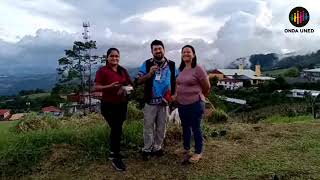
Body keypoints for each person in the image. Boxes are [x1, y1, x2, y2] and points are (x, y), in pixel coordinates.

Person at [135, 40, 178, 160]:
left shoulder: (172, 65)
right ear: (152, 51)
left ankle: (157, 147)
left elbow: (177, 81)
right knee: (148, 126)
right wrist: (149, 74)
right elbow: (137, 81)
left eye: (160, 48)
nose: (158, 51)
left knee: (162, 126)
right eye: (155, 49)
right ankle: (147, 149)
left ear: (164, 49)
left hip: (165, 102)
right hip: (150, 102)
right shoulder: (147, 64)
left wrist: (174, 95)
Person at [94, 48, 133, 171]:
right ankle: (114, 156)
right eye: (112, 56)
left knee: (118, 128)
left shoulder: (122, 70)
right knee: (116, 128)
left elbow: (131, 84)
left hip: (122, 104)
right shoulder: (103, 71)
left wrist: (125, 89)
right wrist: (109, 87)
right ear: (107, 58)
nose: (114, 58)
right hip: (108, 105)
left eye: (116, 56)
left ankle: (115, 152)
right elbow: (96, 87)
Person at [173, 45, 210, 163]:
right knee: (185, 127)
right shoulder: (181, 69)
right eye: (183, 52)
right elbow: (178, 84)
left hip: (195, 103)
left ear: (193, 54)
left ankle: (198, 152)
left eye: (188, 52)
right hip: (182, 103)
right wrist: (176, 95)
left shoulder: (198, 68)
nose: (186, 54)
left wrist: (200, 95)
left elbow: (207, 86)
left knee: (196, 128)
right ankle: (186, 148)